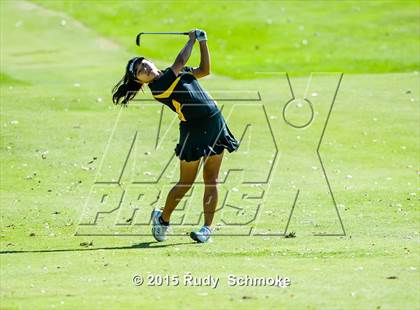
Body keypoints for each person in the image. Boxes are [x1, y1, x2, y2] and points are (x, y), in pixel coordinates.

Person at [112, 29, 239, 243]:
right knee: (186, 182)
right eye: (140, 71)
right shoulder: (159, 87)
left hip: (215, 123)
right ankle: (163, 218)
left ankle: (207, 229)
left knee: (211, 180)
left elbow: (205, 70)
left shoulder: (177, 73)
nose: (145, 69)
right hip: (193, 131)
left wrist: (203, 42)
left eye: (144, 64)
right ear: (140, 81)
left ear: (151, 62)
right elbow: (180, 60)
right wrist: (192, 39)